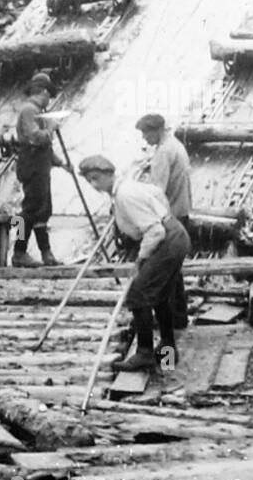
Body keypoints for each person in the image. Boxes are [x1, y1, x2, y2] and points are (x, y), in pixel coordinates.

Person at [79, 154, 189, 374]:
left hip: (166, 240)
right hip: (175, 234)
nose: (94, 185)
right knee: (159, 295)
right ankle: (168, 351)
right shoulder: (126, 188)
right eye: (90, 180)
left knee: (138, 294)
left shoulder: (125, 195)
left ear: (109, 174)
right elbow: (158, 195)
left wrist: (141, 258)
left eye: (97, 178)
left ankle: (145, 354)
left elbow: (155, 231)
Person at [137, 112, 192, 328]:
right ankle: (179, 316)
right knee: (174, 270)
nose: (144, 138)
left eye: (146, 133)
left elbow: (157, 191)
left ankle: (171, 319)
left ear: (157, 130)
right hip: (181, 210)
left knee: (165, 271)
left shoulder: (163, 152)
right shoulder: (176, 145)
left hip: (170, 215)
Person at [13, 72, 69, 267]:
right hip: (32, 167)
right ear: (43, 92)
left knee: (43, 211)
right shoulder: (28, 110)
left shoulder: (38, 112)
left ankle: (46, 253)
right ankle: (18, 252)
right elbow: (36, 138)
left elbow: (46, 148)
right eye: (49, 95)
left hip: (41, 167)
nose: (49, 100)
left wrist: (61, 163)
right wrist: (51, 128)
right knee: (27, 212)